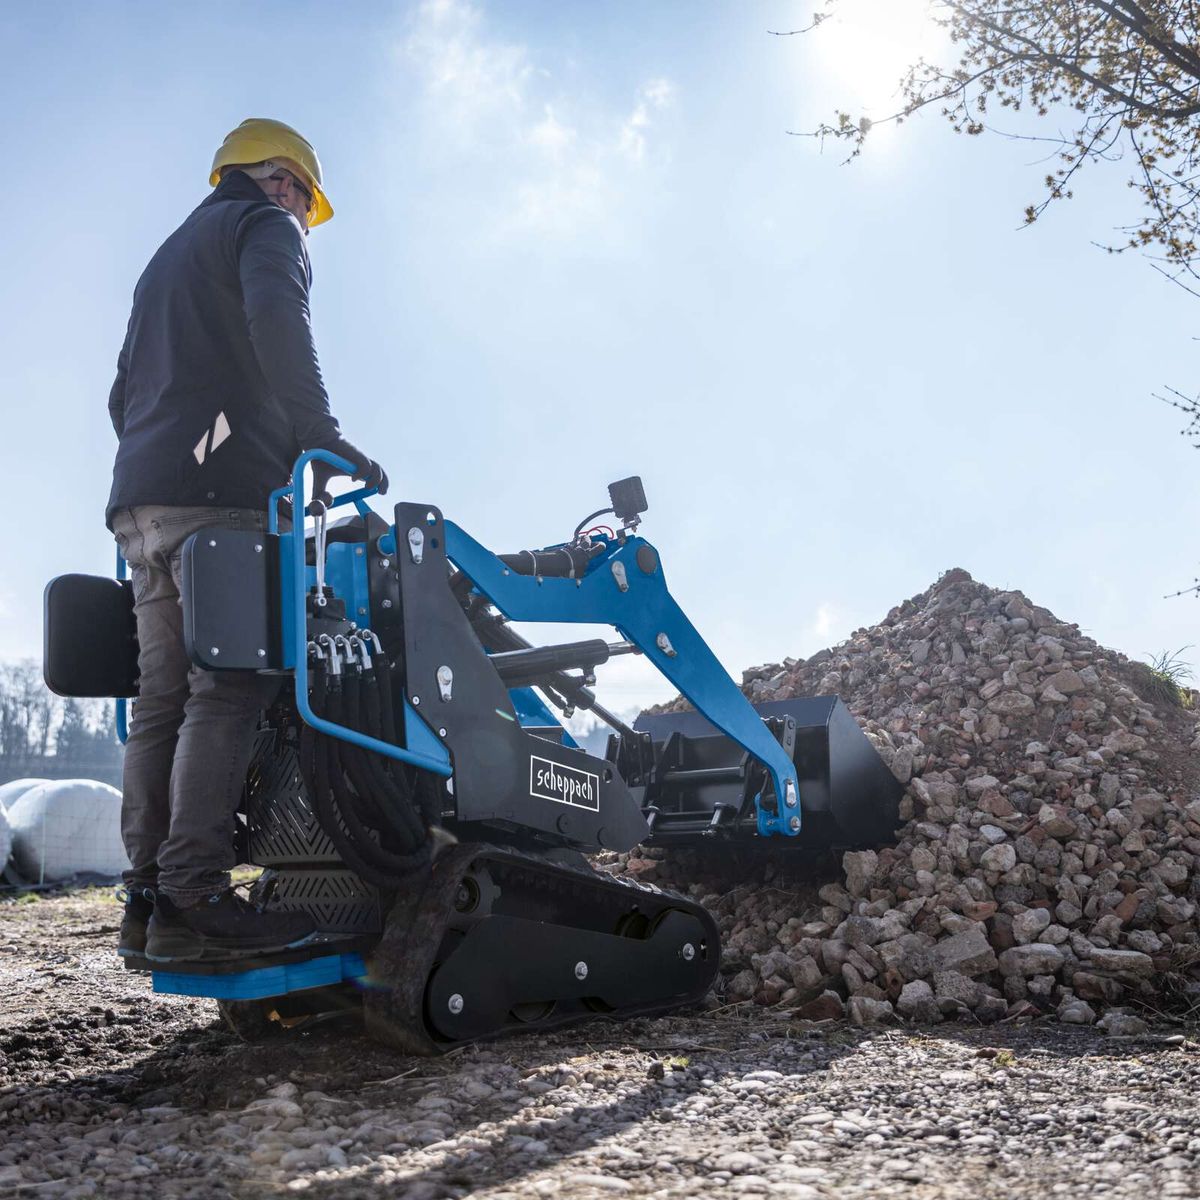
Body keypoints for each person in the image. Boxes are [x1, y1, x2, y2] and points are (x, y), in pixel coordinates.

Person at [106, 118, 386, 962]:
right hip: (221, 503)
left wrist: (160, 465)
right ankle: (195, 895)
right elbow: (279, 317)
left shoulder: (166, 257)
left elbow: (122, 395)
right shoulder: (265, 227)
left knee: (161, 700)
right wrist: (318, 432)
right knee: (229, 687)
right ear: (279, 180)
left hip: (141, 508)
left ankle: (149, 900)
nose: (304, 212)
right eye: (303, 194)